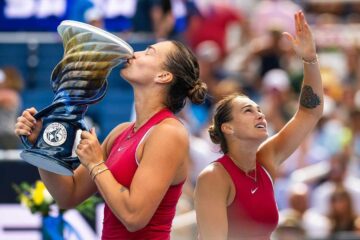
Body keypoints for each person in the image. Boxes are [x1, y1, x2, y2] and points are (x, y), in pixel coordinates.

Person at [15, 40, 207, 239]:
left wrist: (96, 164)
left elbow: (134, 217)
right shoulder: (121, 132)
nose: (135, 53)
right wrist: (44, 145)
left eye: (149, 52)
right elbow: (67, 195)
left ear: (164, 76)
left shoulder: (169, 132)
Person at [195, 11, 324, 239]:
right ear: (228, 127)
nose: (260, 115)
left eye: (259, 110)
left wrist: (309, 58)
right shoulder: (214, 176)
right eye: (248, 111)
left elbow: (310, 112)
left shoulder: (265, 161)